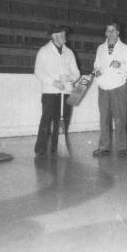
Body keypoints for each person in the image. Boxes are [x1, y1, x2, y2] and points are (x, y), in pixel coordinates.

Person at [34, 25, 80, 156]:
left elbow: (77, 73)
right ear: (53, 36)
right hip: (49, 92)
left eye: (64, 35)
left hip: (66, 92)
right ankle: (40, 148)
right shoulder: (44, 51)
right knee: (46, 120)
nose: (63, 37)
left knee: (63, 121)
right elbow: (38, 71)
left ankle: (56, 147)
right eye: (60, 35)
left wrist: (69, 78)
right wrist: (53, 82)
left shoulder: (69, 53)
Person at [92, 23, 127, 158]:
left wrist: (121, 65)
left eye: (113, 31)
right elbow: (96, 65)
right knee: (104, 118)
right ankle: (104, 147)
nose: (110, 33)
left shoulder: (125, 48)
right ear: (105, 33)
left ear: (118, 33)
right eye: (108, 31)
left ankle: (121, 147)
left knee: (120, 118)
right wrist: (97, 72)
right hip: (103, 88)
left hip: (119, 87)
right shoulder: (100, 48)